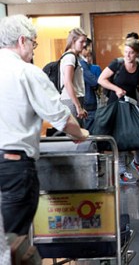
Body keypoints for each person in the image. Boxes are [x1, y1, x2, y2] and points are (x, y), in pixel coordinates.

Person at [0, 14, 89, 235]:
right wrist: (81, 134)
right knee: (14, 239)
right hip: (13, 167)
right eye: (33, 43)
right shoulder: (27, 72)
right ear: (22, 41)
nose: (33, 49)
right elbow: (61, 117)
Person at [98, 38, 139, 184]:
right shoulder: (117, 64)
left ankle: (137, 162)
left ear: (137, 54)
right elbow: (101, 79)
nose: (127, 55)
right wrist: (116, 89)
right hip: (116, 105)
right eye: (126, 52)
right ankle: (121, 172)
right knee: (121, 138)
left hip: (131, 105)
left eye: (131, 53)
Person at [60, 27, 88, 125]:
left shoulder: (72, 57)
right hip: (71, 100)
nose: (84, 45)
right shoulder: (70, 57)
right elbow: (67, 82)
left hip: (73, 99)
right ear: (73, 41)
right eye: (81, 42)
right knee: (76, 136)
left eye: (85, 42)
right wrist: (78, 106)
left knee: (77, 134)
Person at [80, 38, 101, 129]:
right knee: (90, 130)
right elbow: (94, 82)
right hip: (88, 103)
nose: (90, 51)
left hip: (86, 102)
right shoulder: (81, 64)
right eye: (89, 48)